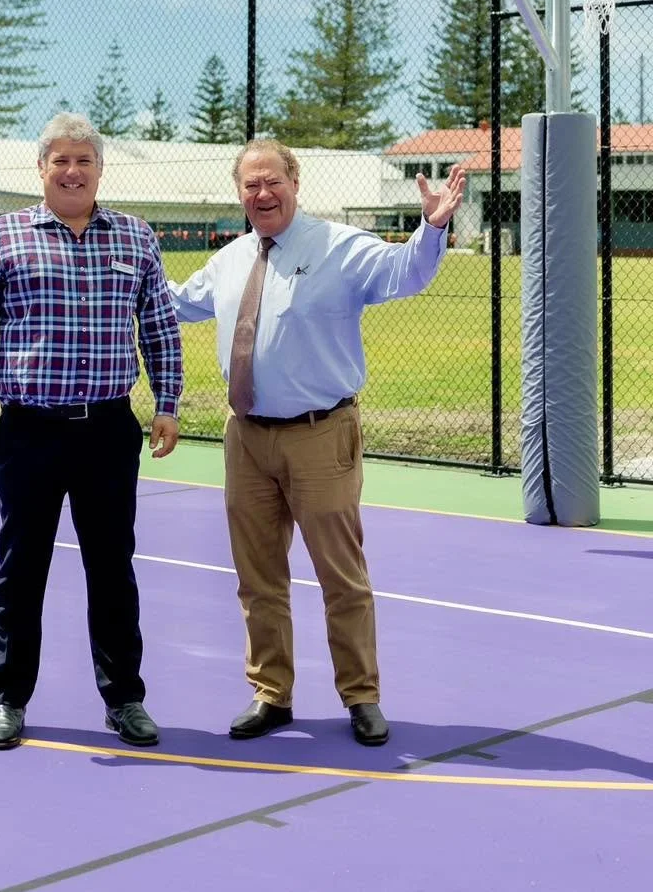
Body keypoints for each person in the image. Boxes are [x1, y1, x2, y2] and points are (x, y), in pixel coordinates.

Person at [168, 139, 464, 747]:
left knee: (340, 577)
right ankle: (271, 694)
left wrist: (431, 228)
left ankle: (361, 695)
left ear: (294, 182)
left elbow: (402, 273)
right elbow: (175, 305)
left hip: (319, 436)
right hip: (246, 439)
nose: (262, 194)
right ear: (239, 194)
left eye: (272, 181)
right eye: (250, 185)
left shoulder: (337, 247)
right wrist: (119, 279)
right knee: (258, 578)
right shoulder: (229, 261)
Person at [0, 113, 183, 751]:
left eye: (84, 161)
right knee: (22, 569)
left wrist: (168, 402)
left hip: (107, 431)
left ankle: (125, 699)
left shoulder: (135, 239)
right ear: (42, 169)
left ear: (100, 170)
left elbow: (159, 325)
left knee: (113, 569)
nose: (73, 171)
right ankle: (8, 699)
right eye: (61, 161)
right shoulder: (3, 237)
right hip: (30, 434)